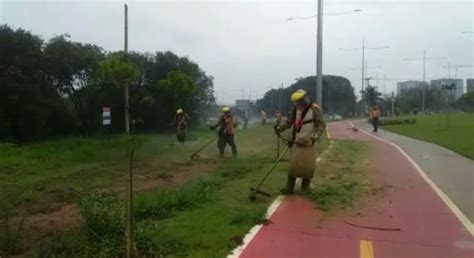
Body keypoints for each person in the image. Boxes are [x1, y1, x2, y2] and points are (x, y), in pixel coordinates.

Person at [274, 89, 325, 194]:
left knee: (308, 165)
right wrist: (280, 128)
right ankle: (289, 186)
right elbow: (289, 122)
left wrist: (316, 134)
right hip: (296, 141)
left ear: (305, 99)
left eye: (300, 102)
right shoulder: (294, 110)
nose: (298, 104)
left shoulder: (315, 109)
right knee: (293, 164)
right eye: (296, 102)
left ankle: (305, 186)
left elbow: (321, 124)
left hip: (309, 142)